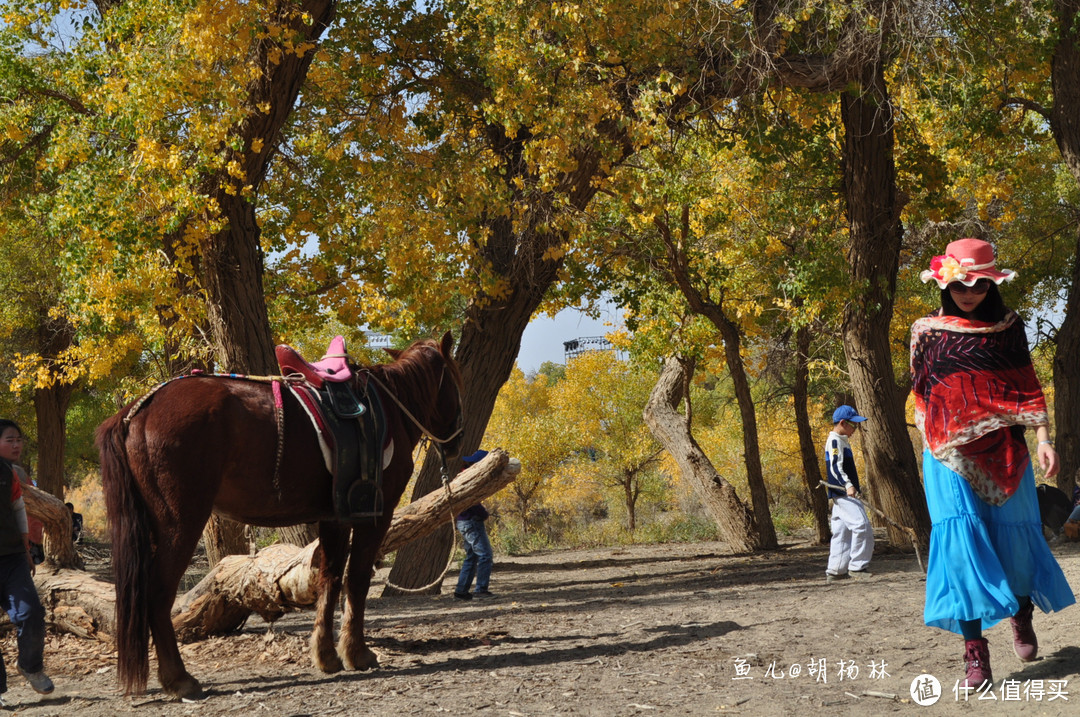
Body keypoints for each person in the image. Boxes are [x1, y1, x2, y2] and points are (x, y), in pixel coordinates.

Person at [912, 238, 1074, 689]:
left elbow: (1026, 383)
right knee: (961, 554)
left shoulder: (1009, 327)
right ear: (946, 284)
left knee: (1016, 550)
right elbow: (922, 393)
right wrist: (941, 436)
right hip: (946, 456)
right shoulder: (925, 330)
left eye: (980, 284)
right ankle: (975, 656)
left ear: (992, 285)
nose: (970, 293)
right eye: (962, 284)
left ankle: (1021, 611)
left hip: (1007, 453)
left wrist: (1044, 439)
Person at [0, 419, 54, 698]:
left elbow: (18, 508)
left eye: (18, 439)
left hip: (11, 559)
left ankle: (30, 666)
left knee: (32, 613)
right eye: (9, 440)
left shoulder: (11, 474)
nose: (16, 444)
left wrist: (25, 549)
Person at [823, 405, 874, 583]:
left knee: (841, 531)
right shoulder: (835, 441)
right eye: (854, 425)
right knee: (862, 525)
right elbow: (834, 468)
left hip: (842, 493)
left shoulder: (842, 440)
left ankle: (836, 570)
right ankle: (857, 566)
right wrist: (847, 485)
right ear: (843, 423)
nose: (855, 429)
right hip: (843, 493)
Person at [453, 449, 495, 601]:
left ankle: (461, 590)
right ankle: (481, 589)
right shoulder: (470, 479)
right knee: (485, 554)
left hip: (464, 521)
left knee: (472, 556)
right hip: (471, 520)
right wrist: (483, 513)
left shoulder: (462, 476)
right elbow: (471, 502)